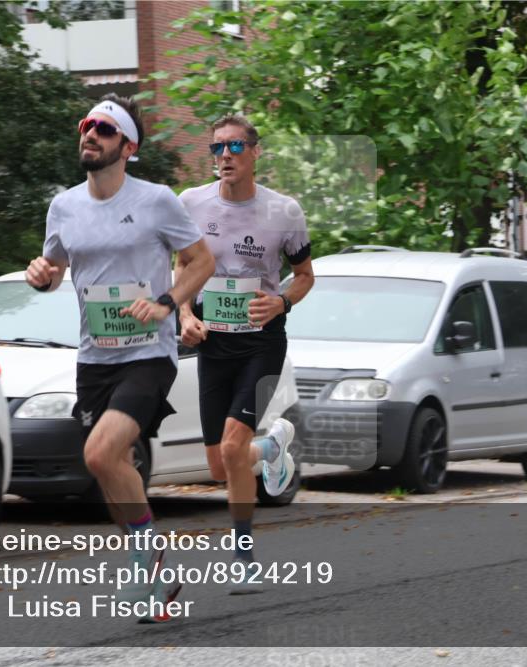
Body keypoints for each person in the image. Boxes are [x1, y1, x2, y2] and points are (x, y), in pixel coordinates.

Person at [25, 95, 215, 612]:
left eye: (105, 129)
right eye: (86, 125)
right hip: (94, 357)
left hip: (149, 352)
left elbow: (201, 261)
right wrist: (41, 275)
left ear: (128, 146)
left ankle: (145, 562)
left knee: (100, 454)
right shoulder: (64, 206)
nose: (90, 134)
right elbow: (53, 269)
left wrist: (167, 303)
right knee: (113, 470)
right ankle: (156, 575)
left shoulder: (157, 200)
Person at [177, 114, 314, 592]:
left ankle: (243, 556)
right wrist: (184, 316)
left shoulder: (284, 212)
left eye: (235, 146)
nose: (225, 155)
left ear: (255, 152)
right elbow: (182, 267)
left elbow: (305, 276)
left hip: (261, 341)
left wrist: (282, 302)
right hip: (213, 343)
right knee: (220, 465)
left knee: (233, 448)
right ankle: (271, 449)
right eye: (217, 147)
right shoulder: (190, 203)